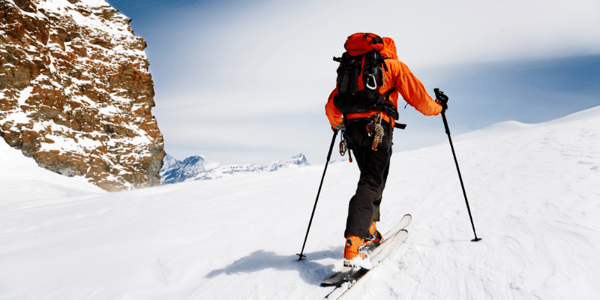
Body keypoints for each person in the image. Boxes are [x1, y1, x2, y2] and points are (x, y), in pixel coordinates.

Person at [325, 33, 445, 268]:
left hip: (353, 131)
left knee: (373, 179)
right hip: (378, 128)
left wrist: (336, 123)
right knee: (371, 181)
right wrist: (438, 108)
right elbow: (420, 98)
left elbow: (333, 102)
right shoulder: (392, 66)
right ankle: (354, 245)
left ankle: (369, 229)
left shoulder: (351, 68)